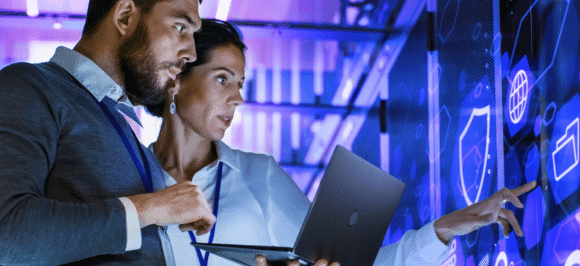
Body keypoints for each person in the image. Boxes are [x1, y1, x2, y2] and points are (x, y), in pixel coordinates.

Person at [147, 19, 538, 266]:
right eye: (222, 79)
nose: (237, 98)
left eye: (241, 84)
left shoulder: (256, 174)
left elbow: (354, 264)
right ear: (176, 79)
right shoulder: (129, 178)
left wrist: (445, 229)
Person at [0, 0, 218, 264]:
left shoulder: (120, 125)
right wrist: (152, 208)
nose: (192, 53)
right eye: (180, 27)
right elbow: (9, 235)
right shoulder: (29, 86)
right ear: (125, 17)